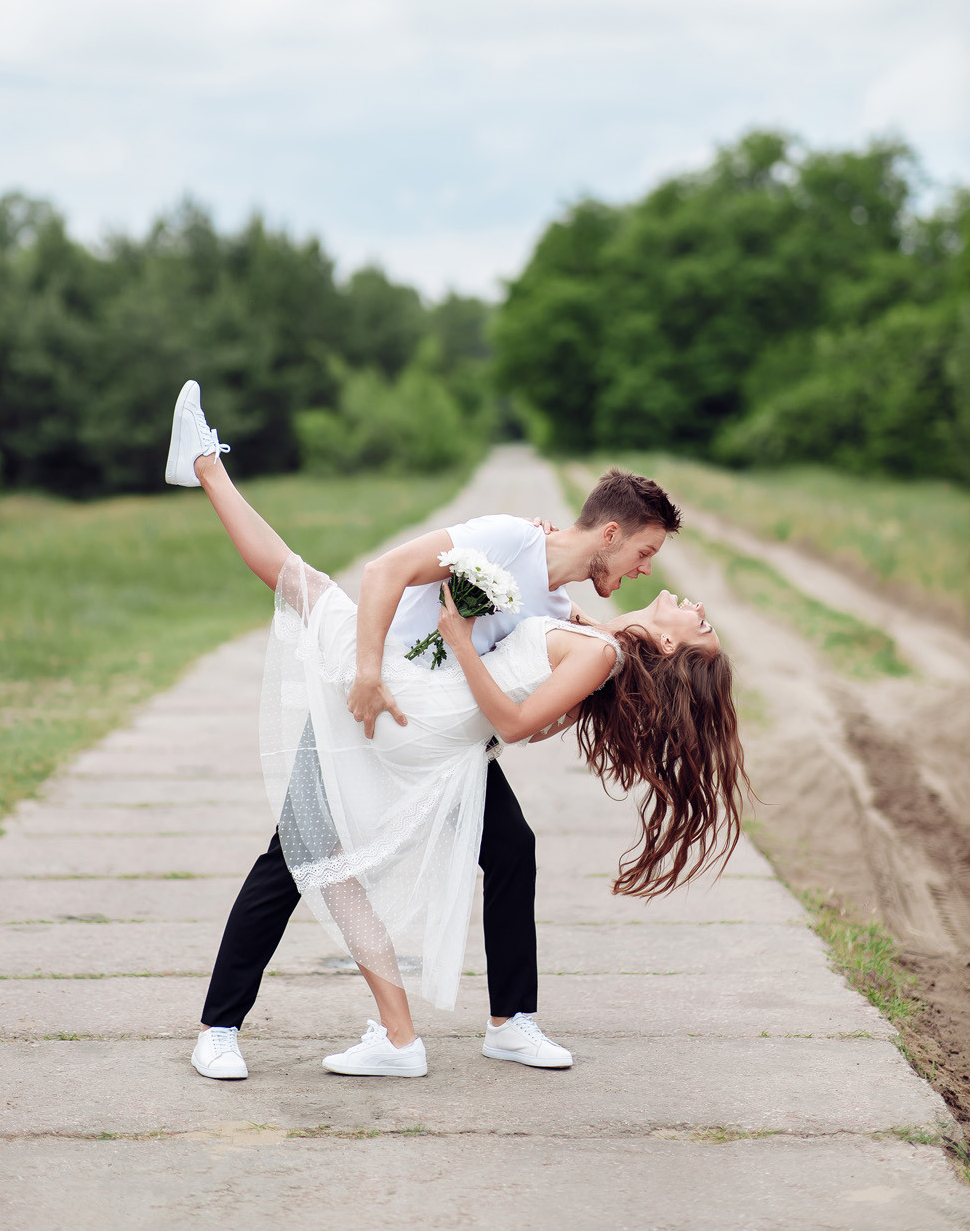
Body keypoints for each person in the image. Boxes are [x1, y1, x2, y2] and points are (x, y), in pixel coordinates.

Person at [165, 382, 745, 1079]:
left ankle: (506, 1023)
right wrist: (370, 674)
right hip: (380, 696)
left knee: (507, 849)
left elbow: (546, 700)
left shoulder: (565, 608)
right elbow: (385, 571)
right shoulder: (507, 541)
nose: (648, 569)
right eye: (644, 553)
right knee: (294, 855)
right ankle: (224, 1026)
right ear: (611, 534)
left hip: (436, 730)